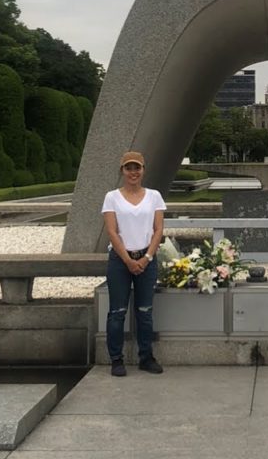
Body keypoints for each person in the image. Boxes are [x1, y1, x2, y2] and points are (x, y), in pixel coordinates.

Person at [102, 150, 166, 376]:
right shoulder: (112, 197)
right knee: (117, 311)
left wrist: (147, 257)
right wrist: (128, 260)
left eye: (137, 168)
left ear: (143, 170)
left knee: (145, 311)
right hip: (120, 260)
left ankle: (146, 357)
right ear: (122, 171)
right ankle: (116, 359)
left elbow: (158, 230)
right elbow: (111, 231)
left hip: (147, 259)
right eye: (129, 168)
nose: (133, 172)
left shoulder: (154, 196)